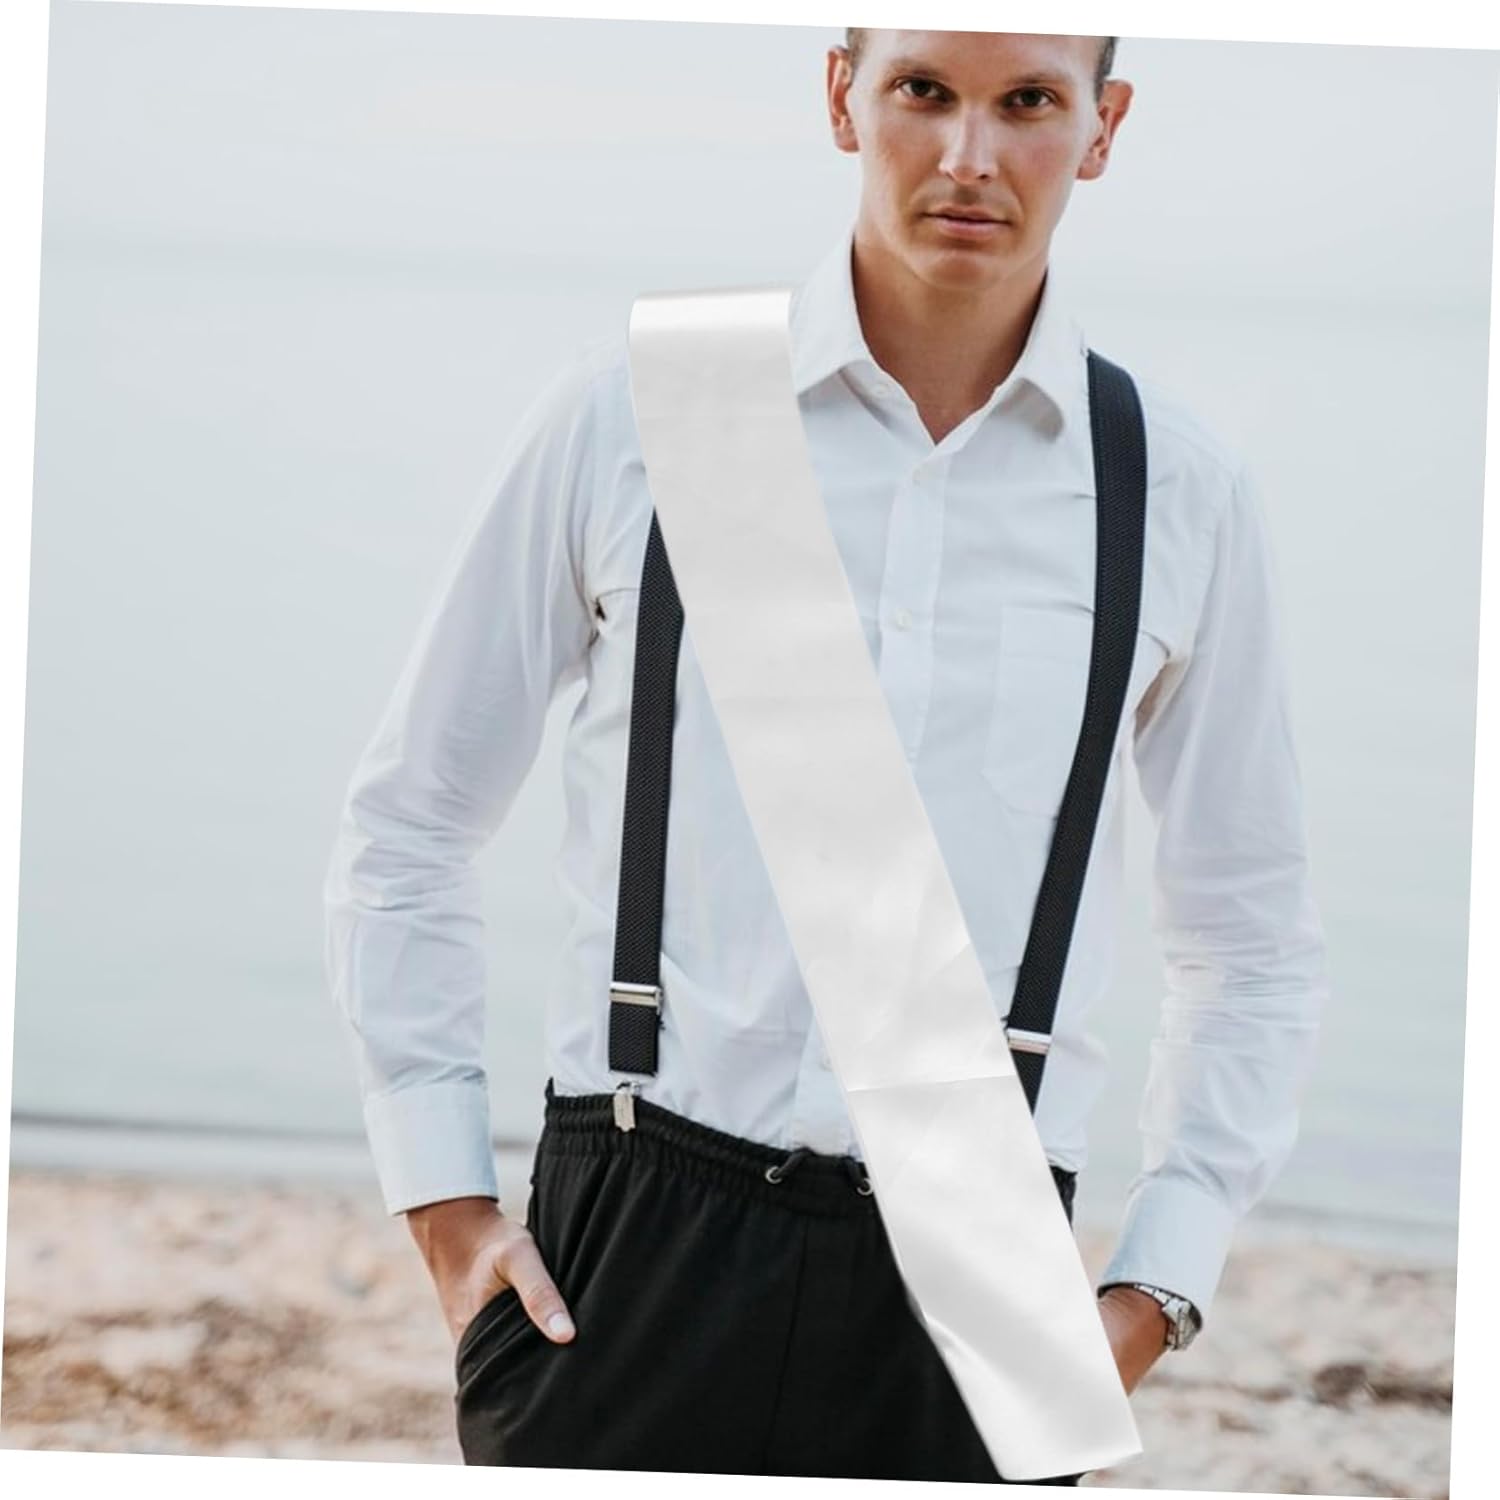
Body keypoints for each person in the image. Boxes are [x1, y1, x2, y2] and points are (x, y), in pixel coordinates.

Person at [322, 27, 1329, 1484]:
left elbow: (1250, 941)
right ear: (843, 95)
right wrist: (444, 1207)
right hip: (629, 1248)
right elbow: (411, 821)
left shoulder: (1180, 490)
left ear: (1103, 127)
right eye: (924, 91)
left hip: (987, 1282)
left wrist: (1156, 1287)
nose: (969, 156)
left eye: (1028, 103)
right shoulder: (641, 411)